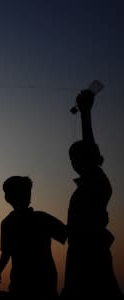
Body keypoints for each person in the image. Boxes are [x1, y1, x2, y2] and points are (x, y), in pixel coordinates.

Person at [60, 89, 124, 299]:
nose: (74, 163)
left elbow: (88, 146)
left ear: (90, 158)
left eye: (77, 157)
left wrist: (86, 113)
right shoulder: (88, 185)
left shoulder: (96, 181)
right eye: (71, 159)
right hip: (81, 254)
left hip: (90, 254)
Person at [0, 176, 66, 300]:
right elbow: (68, 233)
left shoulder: (8, 222)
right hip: (36, 283)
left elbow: (6, 253)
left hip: (29, 284)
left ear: (7, 198)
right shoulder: (40, 218)